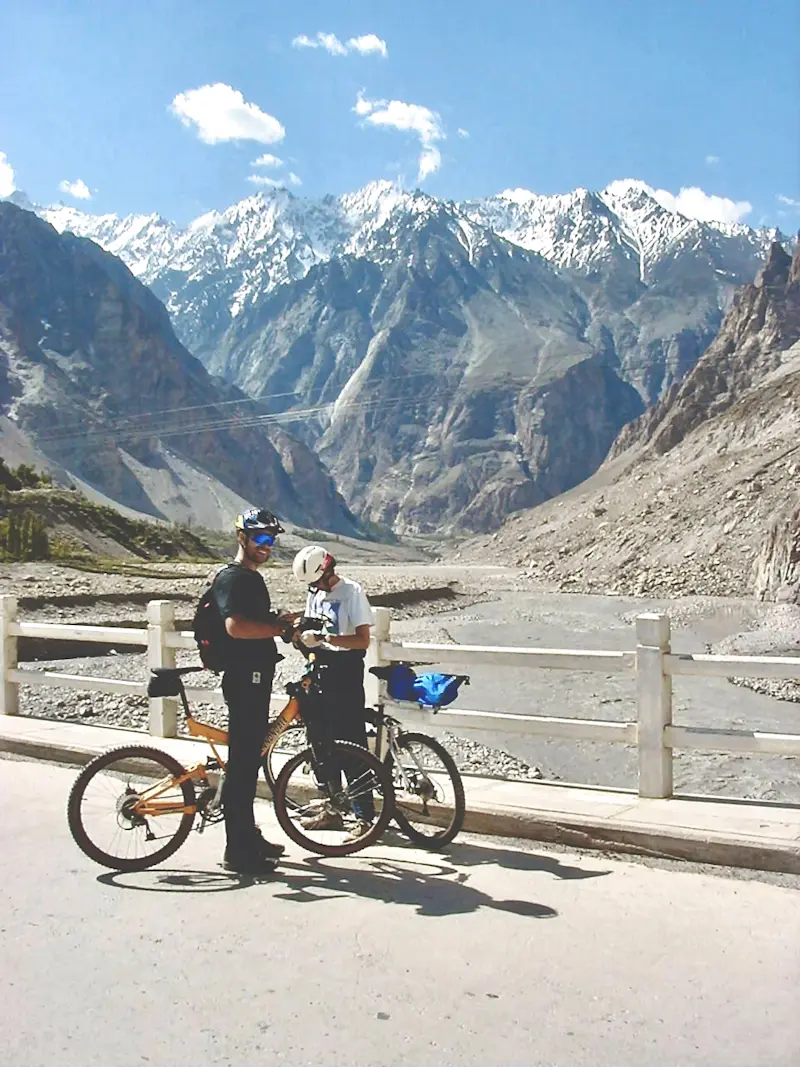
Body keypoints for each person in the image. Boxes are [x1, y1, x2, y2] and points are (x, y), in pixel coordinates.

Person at [213, 507, 294, 874]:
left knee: (249, 762)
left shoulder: (250, 578)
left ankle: (249, 835)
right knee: (243, 764)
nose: (267, 546)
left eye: (271, 540)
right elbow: (236, 627)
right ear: (241, 538)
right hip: (245, 680)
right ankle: (237, 851)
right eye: (260, 538)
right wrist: (276, 631)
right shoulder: (234, 578)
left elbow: (254, 621)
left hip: (255, 678)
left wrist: (278, 622)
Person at [292, 545, 375, 838]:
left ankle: (364, 816)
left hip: (346, 673)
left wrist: (327, 638)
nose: (313, 588)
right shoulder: (314, 594)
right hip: (319, 671)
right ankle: (332, 808)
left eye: (315, 582)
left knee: (351, 743)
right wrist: (301, 639)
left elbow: (363, 641)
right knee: (318, 742)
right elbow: (308, 629)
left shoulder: (352, 592)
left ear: (327, 571)